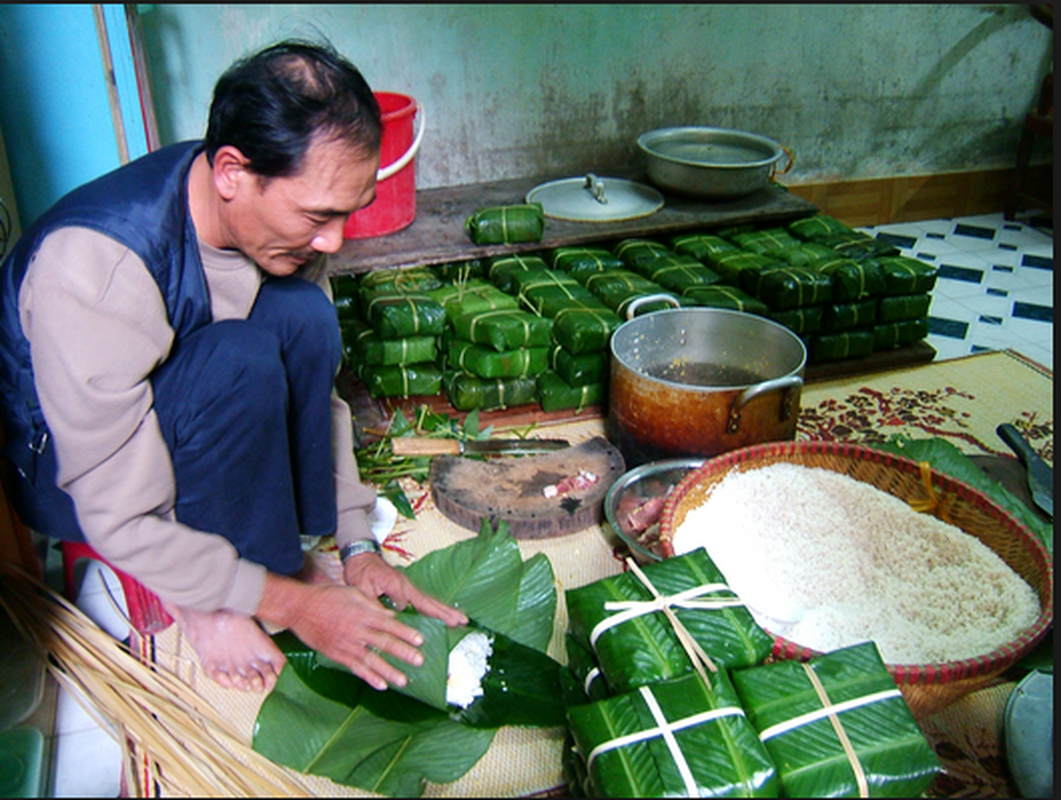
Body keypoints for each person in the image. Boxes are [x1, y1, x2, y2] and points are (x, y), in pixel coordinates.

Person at [0, 40, 466, 693]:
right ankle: (210, 601)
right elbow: (116, 511)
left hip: (187, 404)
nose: (333, 240)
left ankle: (269, 563)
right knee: (237, 359)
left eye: (344, 214)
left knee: (303, 317)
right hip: (75, 472)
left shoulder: (281, 226)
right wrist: (292, 604)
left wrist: (357, 543)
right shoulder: (95, 266)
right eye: (318, 216)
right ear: (230, 173)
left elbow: (319, 392)